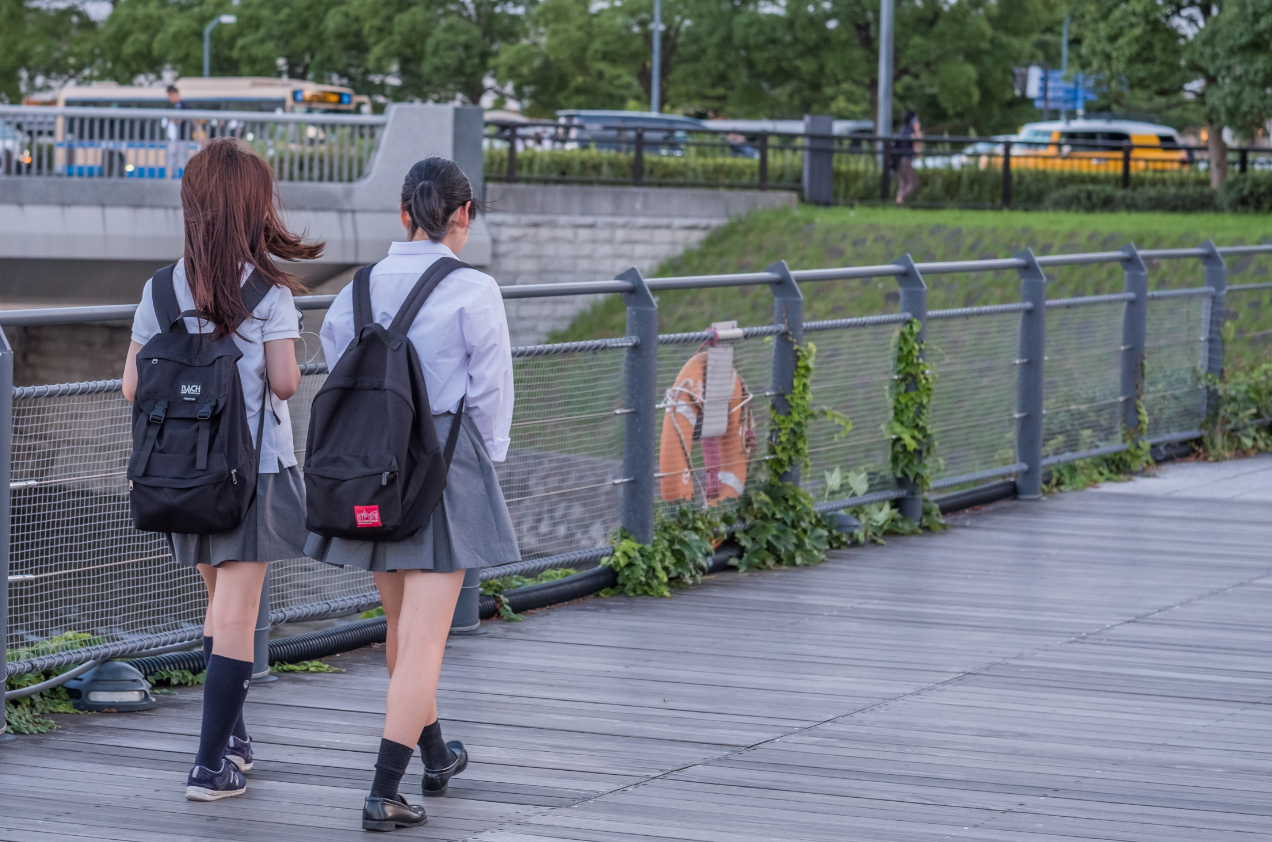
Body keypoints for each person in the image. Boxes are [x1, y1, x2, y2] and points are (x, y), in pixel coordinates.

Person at [305, 157, 518, 832]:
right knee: (425, 642)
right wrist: (486, 465)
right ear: (464, 215)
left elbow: (336, 358)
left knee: (403, 629)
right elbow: (490, 392)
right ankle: (382, 792)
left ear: (402, 214)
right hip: (444, 469)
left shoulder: (357, 289)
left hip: (371, 470)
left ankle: (435, 755)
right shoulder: (473, 290)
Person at [122, 137, 322, 801]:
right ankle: (210, 766)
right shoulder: (267, 292)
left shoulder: (159, 289)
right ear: (251, 209)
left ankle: (233, 738)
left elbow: (132, 385)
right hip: (253, 474)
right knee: (237, 613)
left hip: (182, 472)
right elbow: (286, 384)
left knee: (218, 606)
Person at [894, 110, 922, 205]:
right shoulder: (909, 131)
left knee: (903, 183)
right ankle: (899, 199)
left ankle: (900, 203)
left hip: (899, 159)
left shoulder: (903, 129)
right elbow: (919, 142)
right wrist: (917, 129)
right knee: (912, 183)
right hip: (905, 159)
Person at [163, 85, 190, 179]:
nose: (168, 98)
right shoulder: (179, 105)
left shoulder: (182, 104)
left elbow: (181, 119)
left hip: (181, 137)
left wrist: (173, 119)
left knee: (181, 159)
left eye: (169, 95)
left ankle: (173, 178)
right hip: (178, 138)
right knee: (173, 157)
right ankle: (169, 176)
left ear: (174, 94)